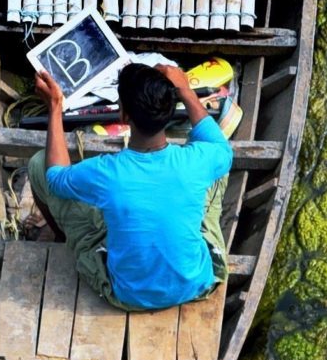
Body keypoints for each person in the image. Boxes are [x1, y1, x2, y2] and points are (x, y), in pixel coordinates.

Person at [37, 56, 237, 311]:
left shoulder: (106, 172)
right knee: (218, 168)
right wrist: (185, 90)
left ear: (123, 115)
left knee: (38, 164)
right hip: (196, 283)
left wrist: (54, 106)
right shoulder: (195, 160)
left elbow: (55, 178)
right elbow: (222, 150)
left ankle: (59, 235)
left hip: (128, 295)